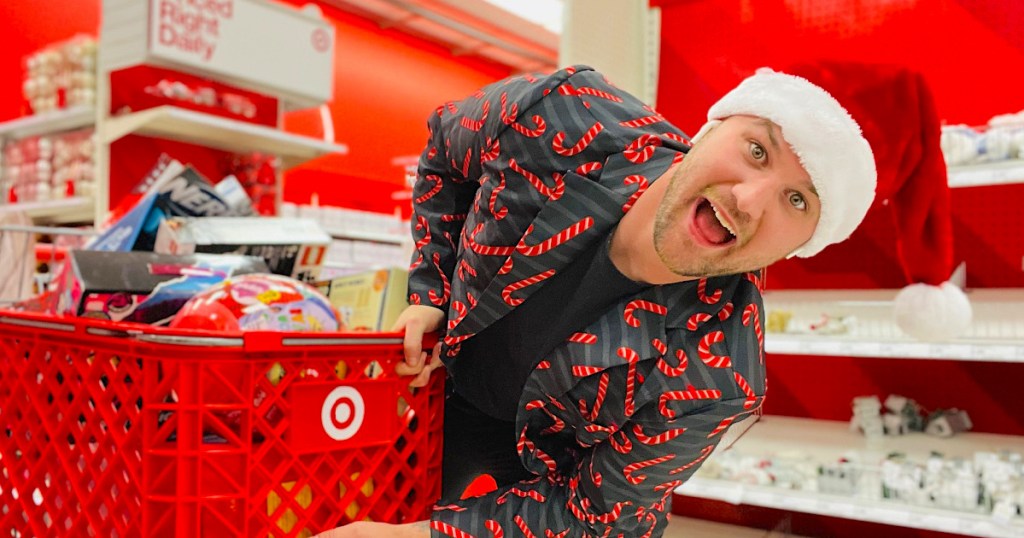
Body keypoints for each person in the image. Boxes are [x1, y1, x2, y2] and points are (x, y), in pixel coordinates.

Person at [316, 64, 876, 538]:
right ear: (712, 127)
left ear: (802, 247)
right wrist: (431, 292)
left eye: (796, 201)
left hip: (542, 493)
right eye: (757, 150)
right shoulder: (563, 116)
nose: (750, 201)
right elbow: (444, 149)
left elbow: (594, 516)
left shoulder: (721, 374)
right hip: (438, 402)